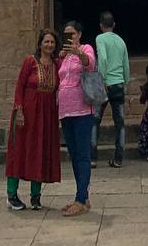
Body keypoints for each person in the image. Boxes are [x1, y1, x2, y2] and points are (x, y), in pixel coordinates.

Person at [5, 29, 61, 211]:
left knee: (40, 151)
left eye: (52, 42)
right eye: (46, 42)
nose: (49, 45)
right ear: (40, 44)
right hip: (27, 114)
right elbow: (20, 86)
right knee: (20, 151)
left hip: (46, 114)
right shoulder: (30, 61)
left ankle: (36, 196)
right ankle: (12, 194)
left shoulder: (56, 64)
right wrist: (19, 111)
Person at [57, 19, 96, 216]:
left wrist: (77, 51)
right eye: (66, 35)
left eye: (71, 34)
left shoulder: (86, 49)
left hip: (81, 111)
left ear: (79, 34)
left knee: (83, 155)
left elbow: (90, 64)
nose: (69, 37)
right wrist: (61, 56)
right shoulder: (64, 57)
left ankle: (81, 199)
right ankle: (82, 196)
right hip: (65, 111)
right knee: (73, 155)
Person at [91, 10, 129, 169]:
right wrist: (125, 81)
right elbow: (126, 63)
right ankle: (118, 158)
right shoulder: (121, 41)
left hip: (105, 83)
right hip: (119, 83)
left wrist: (103, 79)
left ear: (100, 26)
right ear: (114, 25)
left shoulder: (100, 38)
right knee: (119, 123)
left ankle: (92, 158)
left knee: (94, 120)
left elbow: (103, 58)